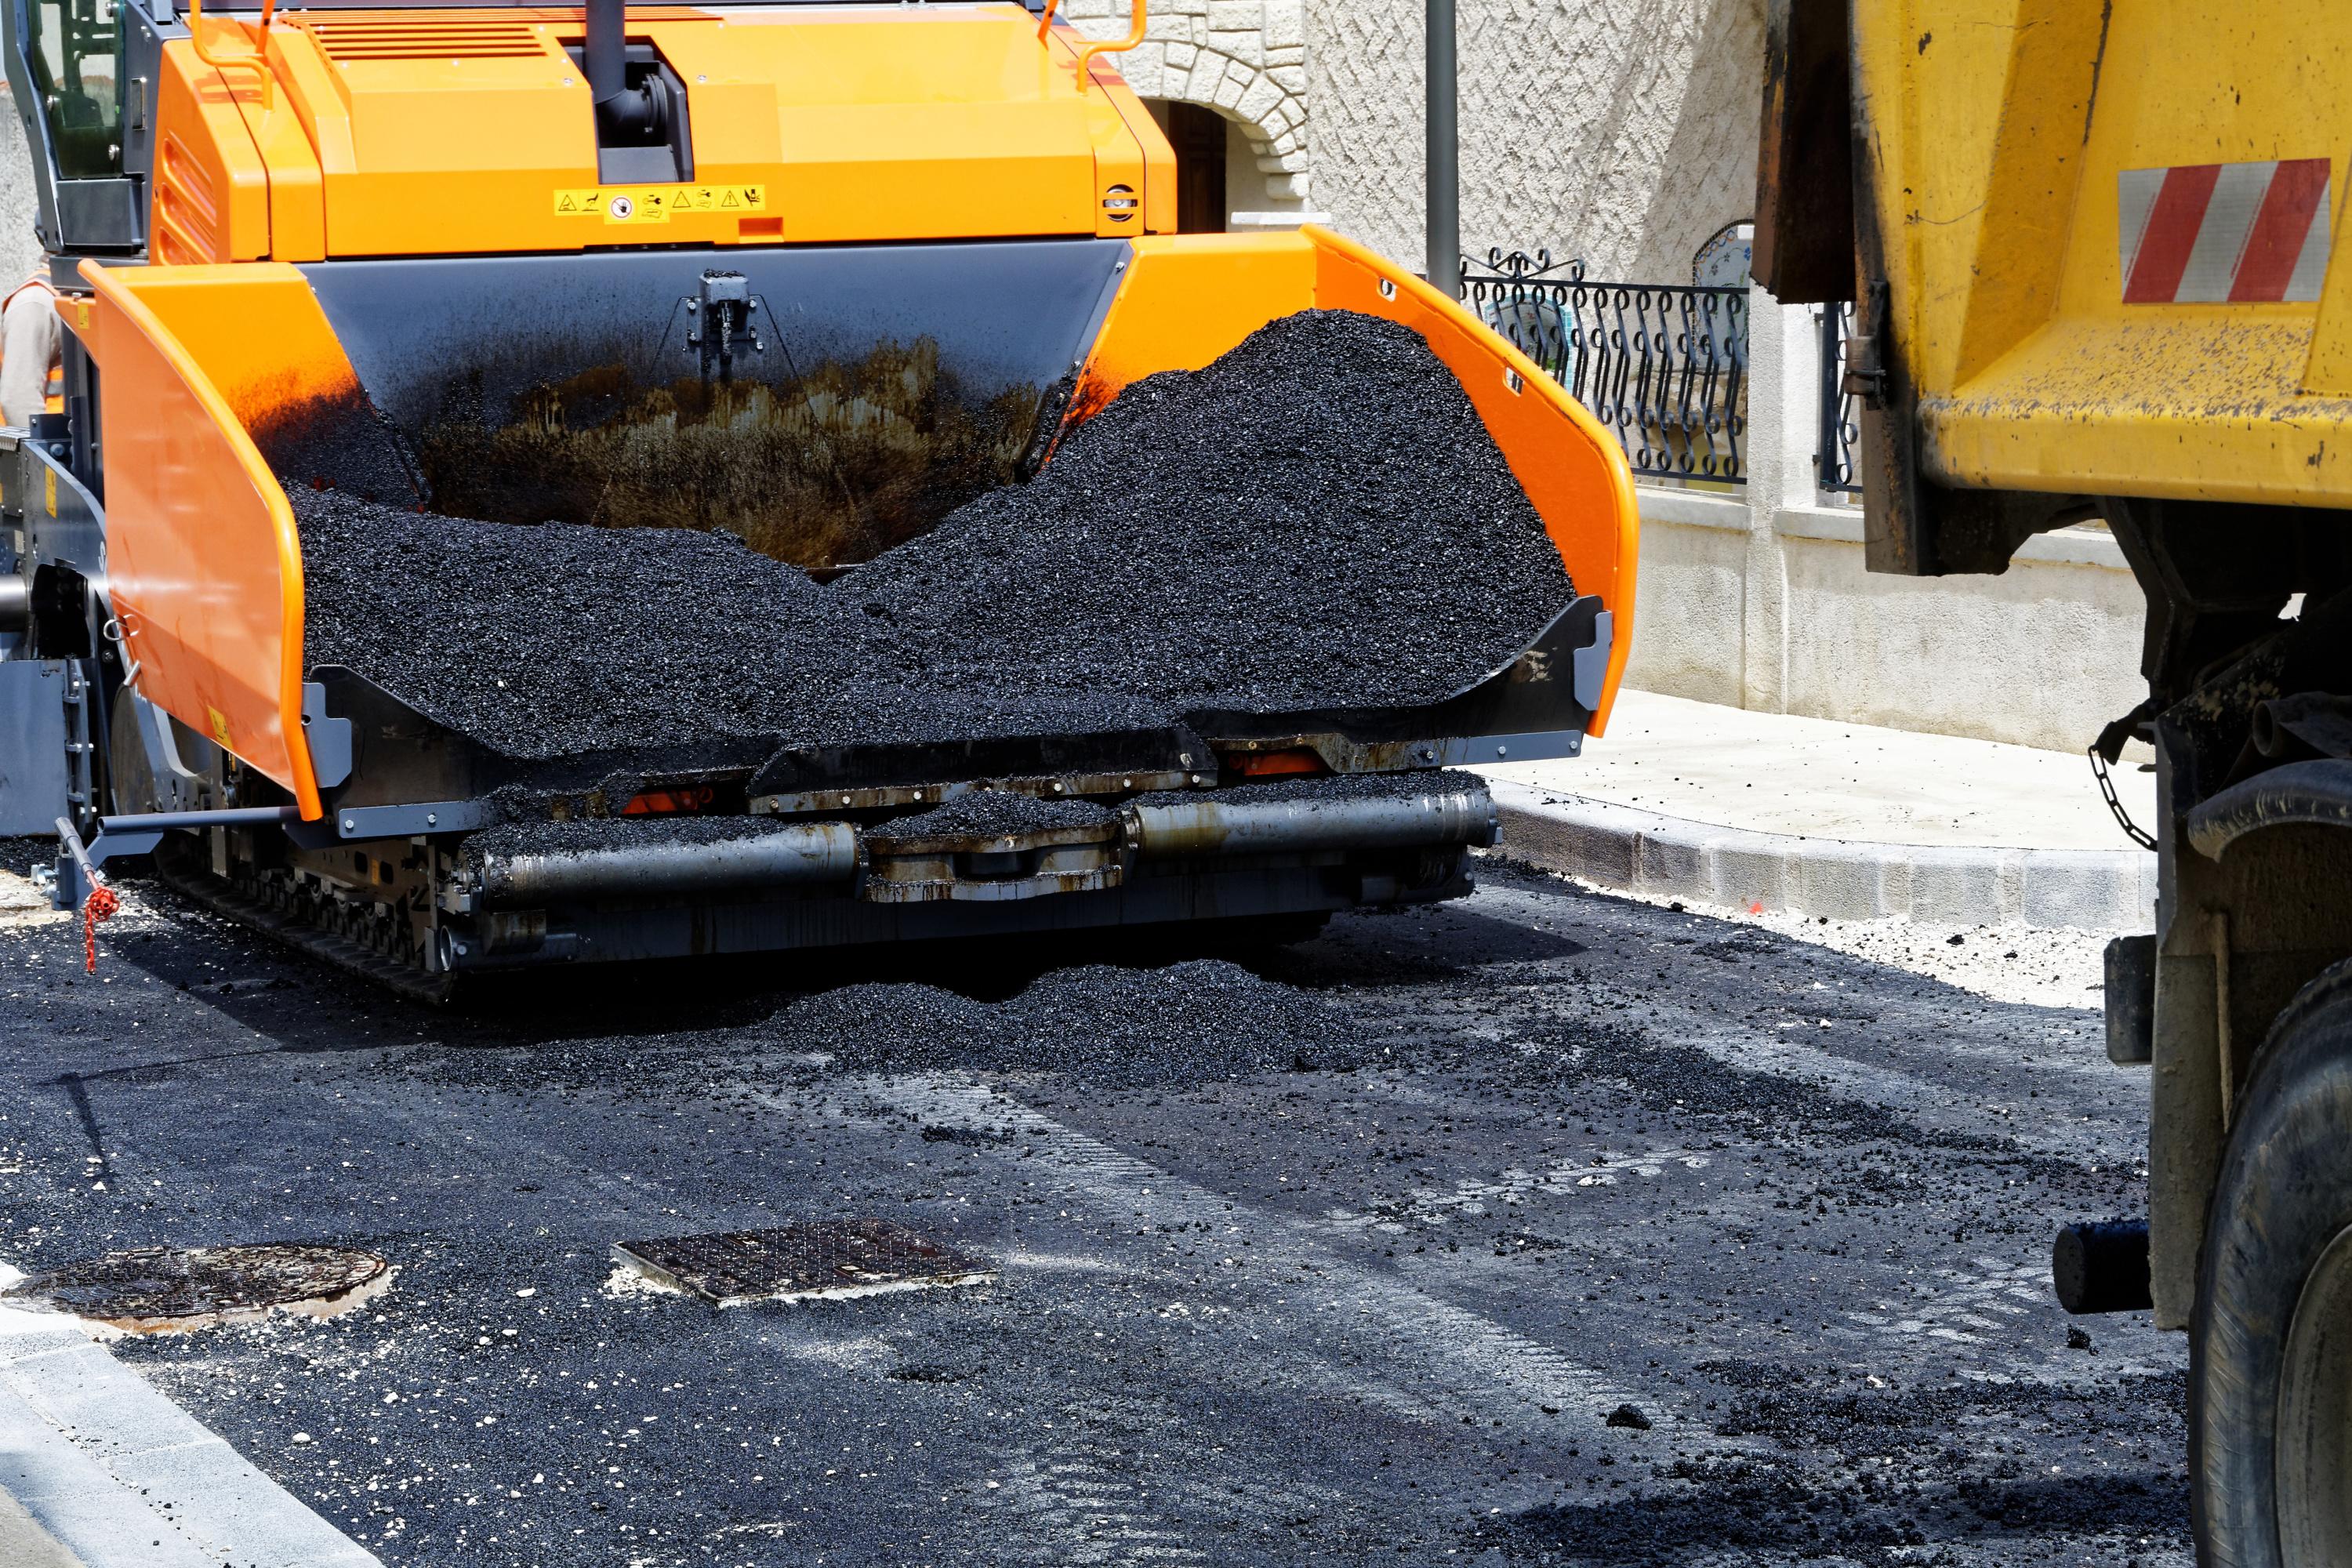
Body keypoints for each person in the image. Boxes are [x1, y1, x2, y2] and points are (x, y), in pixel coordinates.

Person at [0, 273, 60, 429]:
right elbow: (20, 399)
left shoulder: (76, 294)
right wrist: (42, 449)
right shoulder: (36, 302)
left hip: (75, 442)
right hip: (56, 445)